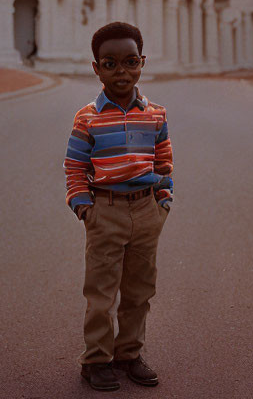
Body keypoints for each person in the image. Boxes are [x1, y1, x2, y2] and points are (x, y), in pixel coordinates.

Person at [64, 21, 173, 391]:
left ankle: (129, 354)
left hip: (146, 211)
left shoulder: (155, 114)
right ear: (96, 68)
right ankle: (95, 360)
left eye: (129, 62)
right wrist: (84, 208)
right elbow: (75, 166)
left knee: (140, 291)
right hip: (105, 211)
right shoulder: (88, 118)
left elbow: (163, 160)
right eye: (109, 64)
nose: (121, 71)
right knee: (101, 293)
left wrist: (163, 200)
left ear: (142, 62)